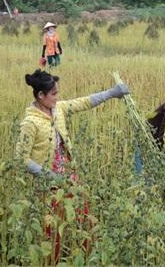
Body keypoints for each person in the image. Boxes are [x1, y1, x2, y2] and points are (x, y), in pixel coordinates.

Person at [16, 69, 129, 260]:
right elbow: (21, 159)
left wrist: (111, 93)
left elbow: (83, 102)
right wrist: (48, 176)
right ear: (40, 95)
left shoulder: (57, 110)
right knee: (52, 233)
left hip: (70, 178)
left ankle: (88, 259)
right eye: (53, 94)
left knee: (86, 221)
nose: (57, 97)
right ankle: (51, 262)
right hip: (48, 186)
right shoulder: (31, 122)